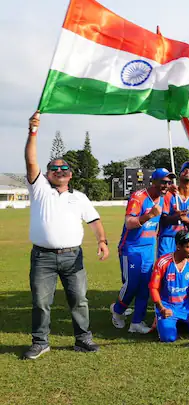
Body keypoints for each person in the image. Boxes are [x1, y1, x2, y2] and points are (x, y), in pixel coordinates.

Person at [23, 111, 108, 359]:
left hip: (73, 257)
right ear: (47, 173)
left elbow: (94, 220)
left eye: (64, 168)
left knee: (79, 300)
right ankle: (40, 342)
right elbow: (31, 161)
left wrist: (102, 241)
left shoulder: (79, 197)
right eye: (54, 168)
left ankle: (83, 340)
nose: (59, 170)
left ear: (71, 174)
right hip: (43, 258)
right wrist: (33, 131)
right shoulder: (39, 189)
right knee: (41, 302)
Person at [111, 167, 174, 335]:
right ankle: (117, 310)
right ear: (154, 181)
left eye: (169, 182)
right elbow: (129, 223)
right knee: (131, 284)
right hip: (131, 248)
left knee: (145, 286)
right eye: (163, 182)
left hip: (148, 249)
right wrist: (149, 215)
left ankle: (136, 322)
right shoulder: (138, 197)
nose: (166, 185)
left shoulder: (164, 197)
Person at [148, 230, 189, 342]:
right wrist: (161, 308)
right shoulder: (163, 262)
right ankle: (162, 320)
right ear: (178, 246)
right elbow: (153, 288)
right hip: (167, 306)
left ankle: (180, 322)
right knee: (168, 338)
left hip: (185, 307)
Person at [157, 161, 189, 256]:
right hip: (168, 238)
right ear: (179, 176)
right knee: (166, 264)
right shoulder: (169, 195)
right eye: (184, 170)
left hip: (186, 240)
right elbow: (162, 219)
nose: (188, 171)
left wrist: (185, 219)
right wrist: (174, 218)